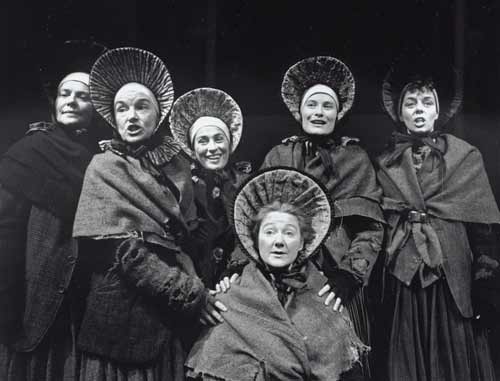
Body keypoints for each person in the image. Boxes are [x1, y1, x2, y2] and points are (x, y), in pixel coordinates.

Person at [72, 47, 225, 381]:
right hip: (124, 318)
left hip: (171, 318)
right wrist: (191, 294)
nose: (132, 116)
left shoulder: (177, 167)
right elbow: (124, 253)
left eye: (142, 107)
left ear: (159, 114)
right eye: (122, 108)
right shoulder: (104, 167)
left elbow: (192, 234)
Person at [375, 58, 500, 381]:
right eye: (411, 103)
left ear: (437, 111)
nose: (419, 109)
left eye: (426, 103)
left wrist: (484, 282)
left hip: (451, 272)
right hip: (405, 275)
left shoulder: (464, 156)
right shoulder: (385, 162)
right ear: (399, 113)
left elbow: (481, 226)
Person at [261, 56, 384, 373]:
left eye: (327, 106)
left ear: (339, 112)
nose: (318, 112)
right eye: (311, 105)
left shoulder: (355, 158)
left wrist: (351, 275)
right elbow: (252, 218)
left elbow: (371, 228)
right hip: (283, 280)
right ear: (298, 110)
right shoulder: (279, 155)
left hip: (337, 283)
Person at [186, 168, 366, 381]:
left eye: (289, 233)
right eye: (269, 232)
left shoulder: (326, 298)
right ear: (256, 240)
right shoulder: (229, 298)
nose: (278, 241)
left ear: (301, 244)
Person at [0, 40, 106, 380]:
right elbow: (4, 231)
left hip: (78, 304)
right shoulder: (30, 152)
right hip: (31, 299)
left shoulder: (98, 160)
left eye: (83, 96)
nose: (71, 101)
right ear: (54, 101)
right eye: (65, 94)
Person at [170, 87, 251, 289]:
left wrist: (237, 267)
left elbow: (252, 233)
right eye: (203, 141)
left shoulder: (245, 183)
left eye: (219, 139)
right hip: (191, 280)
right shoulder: (180, 183)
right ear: (192, 148)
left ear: (230, 142)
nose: (212, 148)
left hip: (236, 277)